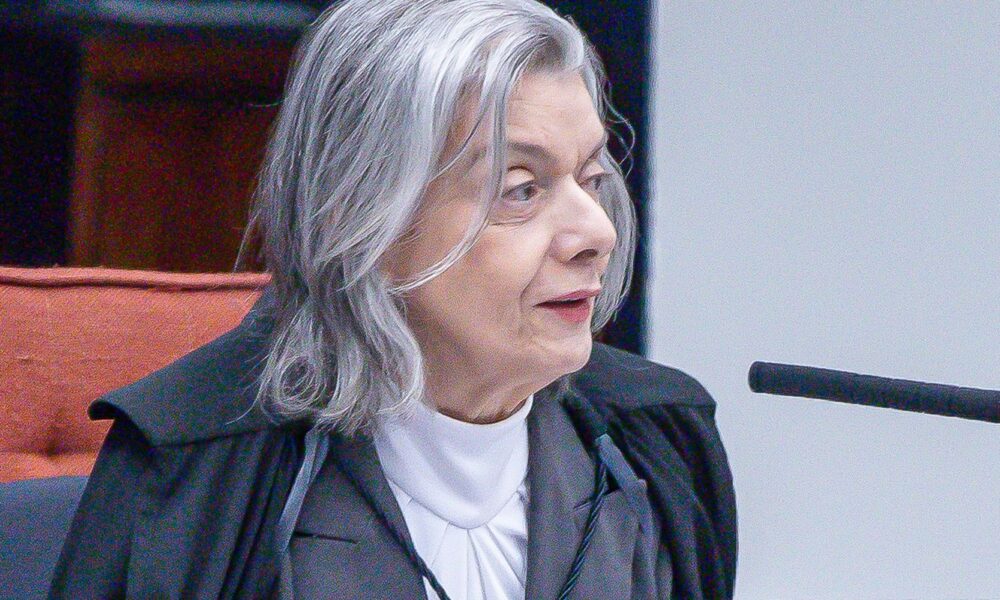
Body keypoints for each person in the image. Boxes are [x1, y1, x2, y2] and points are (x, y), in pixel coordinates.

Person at [50, 1, 737, 598]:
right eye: (522, 189)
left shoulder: (660, 440)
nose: (598, 233)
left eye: (591, 179)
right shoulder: (192, 471)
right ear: (361, 217)